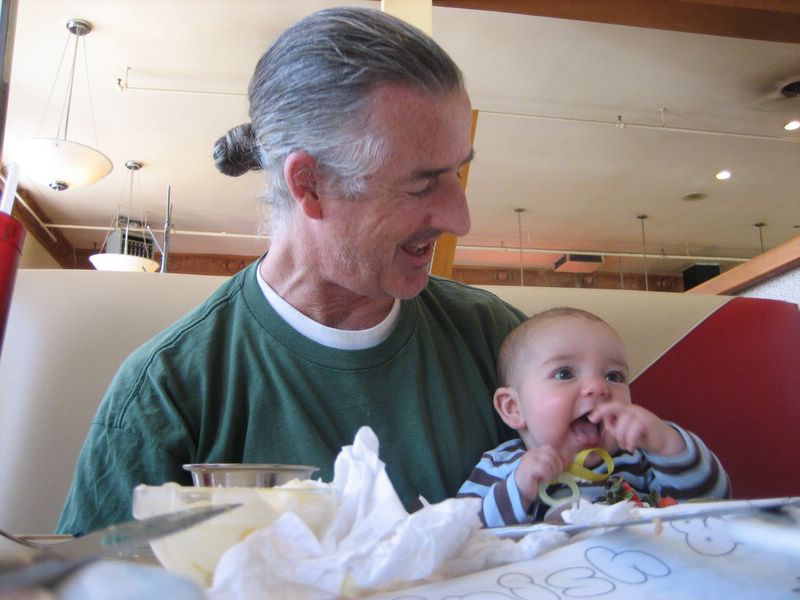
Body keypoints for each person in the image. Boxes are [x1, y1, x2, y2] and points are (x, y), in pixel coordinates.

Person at [56, 7, 526, 535]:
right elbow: (96, 573)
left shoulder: (506, 345)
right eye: (421, 185)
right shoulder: (168, 394)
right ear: (309, 184)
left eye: (459, 172)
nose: (460, 220)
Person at [458, 307, 731, 527]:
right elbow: (459, 532)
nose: (599, 387)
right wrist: (518, 490)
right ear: (513, 408)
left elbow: (714, 502)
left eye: (614, 376)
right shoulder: (502, 466)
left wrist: (667, 443)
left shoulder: (638, 459)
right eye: (564, 373)